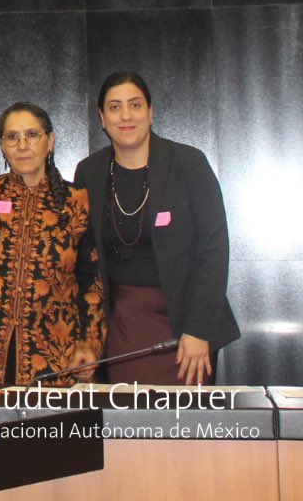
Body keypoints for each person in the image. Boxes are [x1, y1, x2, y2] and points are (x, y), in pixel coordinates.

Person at [75, 71, 240, 385]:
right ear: (102, 118)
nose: (126, 115)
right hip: (122, 325)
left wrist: (199, 329)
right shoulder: (89, 172)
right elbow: (85, 262)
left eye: (135, 105)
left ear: (150, 112)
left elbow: (214, 250)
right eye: (115, 107)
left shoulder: (188, 163)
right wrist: (87, 336)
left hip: (186, 324)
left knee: (183, 415)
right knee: (125, 413)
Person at [0, 103, 105, 387]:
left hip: (57, 362)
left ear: (50, 141)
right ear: (2, 145)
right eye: (12, 137)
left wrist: (89, 344)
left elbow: (93, 282)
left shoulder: (77, 200)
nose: (22, 146)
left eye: (32, 135)